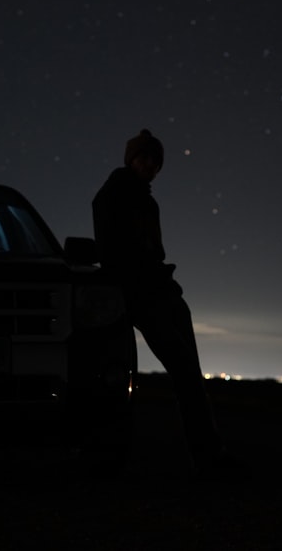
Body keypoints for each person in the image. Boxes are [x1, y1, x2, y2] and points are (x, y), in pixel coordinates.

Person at [92, 128, 226, 474]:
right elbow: (114, 254)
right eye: (145, 157)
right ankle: (206, 458)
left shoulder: (147, 201)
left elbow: (153, 250)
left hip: (162, 293)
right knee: (183, 370)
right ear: (132, 159)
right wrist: (136, 282)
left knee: (191, 375)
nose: (150, 165)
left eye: (155, 161)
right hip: (141, 296)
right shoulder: (112, 195)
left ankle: (208, 456)